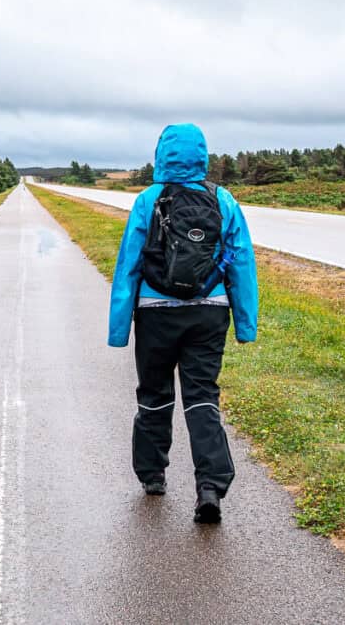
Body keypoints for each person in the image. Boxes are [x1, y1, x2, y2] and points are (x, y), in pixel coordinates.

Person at [108, 123, 258, 523]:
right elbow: (241, 262)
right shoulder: (223, 200)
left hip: (155, 313)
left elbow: (129, 266)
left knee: (155, 393)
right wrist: (245, 325)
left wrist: (120, 329)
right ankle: (210, 486)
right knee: (202, 396)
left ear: (162, 155)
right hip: (209, 313)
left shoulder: (147, 200)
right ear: (202, 156)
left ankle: (152, 475)